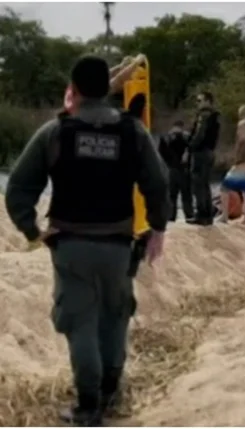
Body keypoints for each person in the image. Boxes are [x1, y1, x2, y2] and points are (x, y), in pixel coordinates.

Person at [5, 55, 170, 426]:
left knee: (79, 321)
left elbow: (17, 187)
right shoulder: (132, 131)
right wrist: (155, 226)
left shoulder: (56, 132)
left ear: (74, 89)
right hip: (118, 245)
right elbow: (158, 184)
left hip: (70, 246)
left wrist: (33, 230)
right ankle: (112, 389)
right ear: (108, 89)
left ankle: (88, 405)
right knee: (114, 315)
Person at [218, 104, 245, 225]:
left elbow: (242, 139)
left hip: (243, 160)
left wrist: (238, 156)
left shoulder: (242, 124)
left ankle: (224, 216)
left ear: (241, 113)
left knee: (225, 187)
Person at [187, 91, 220, 226]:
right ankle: (207, 216)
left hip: (201, 152)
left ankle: (201, 215)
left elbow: (200, 134)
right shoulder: (215, 116)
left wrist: (190, 146)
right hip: (210, 152)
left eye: (200, 101)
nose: (197, 104)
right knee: (205, 184)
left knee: (198, 184)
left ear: (208, 101)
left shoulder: (204, 116)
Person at [159, 120, 194, 221]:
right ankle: (189, 215)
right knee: (186, 194)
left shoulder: (166, 137)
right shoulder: (187, 137)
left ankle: (171, 216)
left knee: (171, 195)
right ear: (182, 126)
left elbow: (161, 153)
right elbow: (192, 150)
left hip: (171, 169)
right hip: (184, 169)